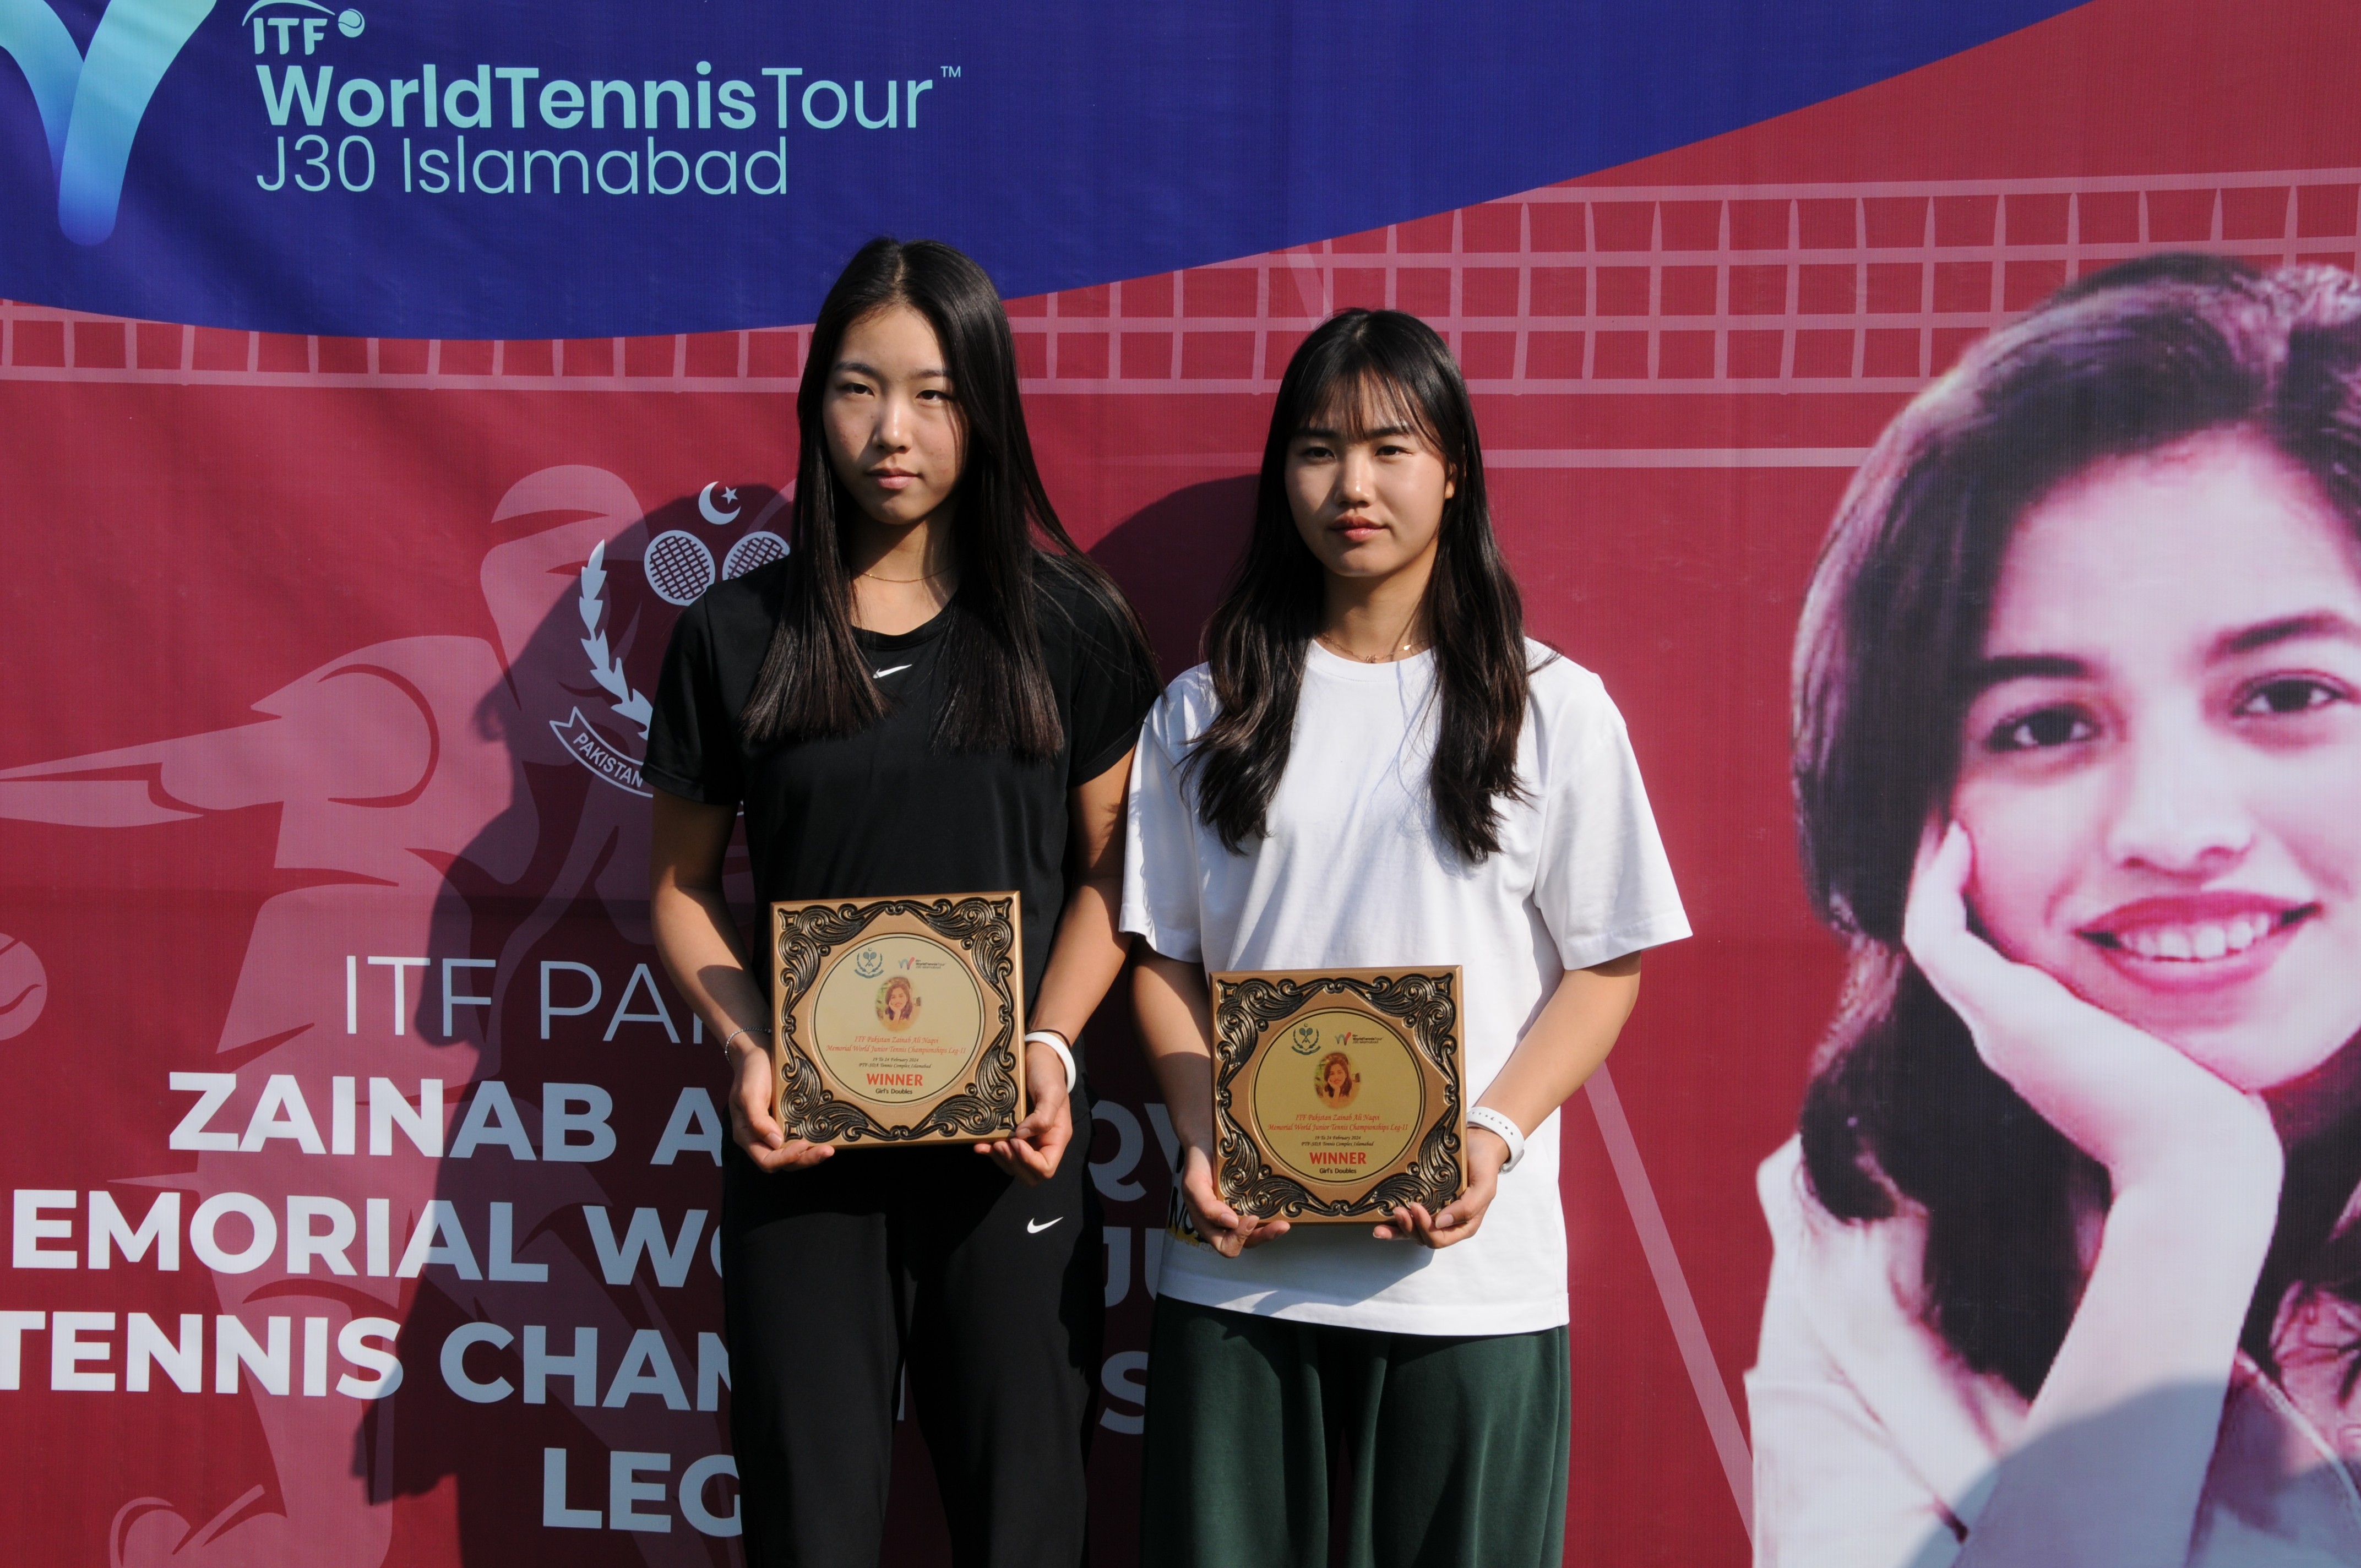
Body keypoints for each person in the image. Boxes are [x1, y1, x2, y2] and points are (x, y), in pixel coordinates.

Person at [1752, 255, 2361, 1567]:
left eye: (2287, 692)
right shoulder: (1862, 1234)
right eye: (2041, 724)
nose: (2173, 826)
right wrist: (2186, 1190)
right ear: (1911, 805)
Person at [1122, 307, 1690, 1567]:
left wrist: (1486, 1135)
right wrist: (1205, 1128)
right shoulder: (1203, 711)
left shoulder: (1552, 709)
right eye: (1319, 448)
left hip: (1466, 1284)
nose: (1354, 484)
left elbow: (1605, 965)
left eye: (1390, 446)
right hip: (1239, 1272)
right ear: (1284, 477)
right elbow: (1161, 958)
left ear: (1454, 468)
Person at [644, 237, 1160, 1568]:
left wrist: (1046, 1045)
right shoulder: (735, 634)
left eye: (934, 393)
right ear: (813, 400)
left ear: (984, 405)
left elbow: (1117, 871)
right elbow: (684, 887)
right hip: (804, 1162)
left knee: (1024, 1529)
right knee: (807, 1532)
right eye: (857, 388)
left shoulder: (1072, 626)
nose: (891, 430)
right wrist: (755, 1049)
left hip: (1011, 1160)